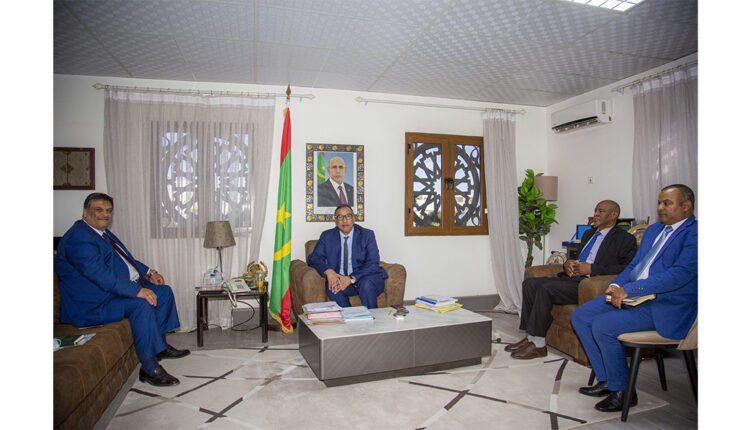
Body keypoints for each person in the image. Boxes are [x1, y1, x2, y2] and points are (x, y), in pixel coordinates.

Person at [572, 184, 697, 412]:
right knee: (581, 316)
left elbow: (680, 274)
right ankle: (608, 379)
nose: (660, 208)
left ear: (686, 206)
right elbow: (634, 265)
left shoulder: (695, 233)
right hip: (635, 296)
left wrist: (632, 289)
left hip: (665, 304)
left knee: (602, 325)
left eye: (667, 203)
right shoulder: (654, 230)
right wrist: (615, 285)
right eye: (659, 203)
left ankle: (623, 392)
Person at [55, 193, 190, 387]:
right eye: (99, 210)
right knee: (141, 303)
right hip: (93, 305)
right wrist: (137, 291)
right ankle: (149, 368)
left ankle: (159, 348)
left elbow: (125, 259)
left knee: (163, 292)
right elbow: (99, 274)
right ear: (85, 212)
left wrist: (149, 272)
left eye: (109, 210)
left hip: (109, 293)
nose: (105, 214)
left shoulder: (100, 232)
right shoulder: (79, 239)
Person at [508, 200, 637, 359]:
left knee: (545, 289)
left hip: (588, 284)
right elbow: (577, 258)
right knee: (530, 284)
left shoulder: (625, 239)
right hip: (572, 279)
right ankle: (530, 338)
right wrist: (567, 264)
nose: (595, 214)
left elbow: (627, 269)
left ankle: (539, 345)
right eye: (595, 210)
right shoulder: (589, 234)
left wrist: (592, 269)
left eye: (601, 211)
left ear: (613, 215)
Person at [307, 204, 388, 308]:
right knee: (333, 288)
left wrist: (351, 278)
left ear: (353, 218)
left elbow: (373, 264)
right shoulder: (327, 236)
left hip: (365, 278)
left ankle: (372, 316)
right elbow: (314, 258)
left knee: (366, 284)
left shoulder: (367, 235)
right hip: (341, 280)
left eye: (348, 216)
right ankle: (350, 316)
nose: (344, 220)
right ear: (336, 221)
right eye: (340, 217)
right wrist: (328, 271)